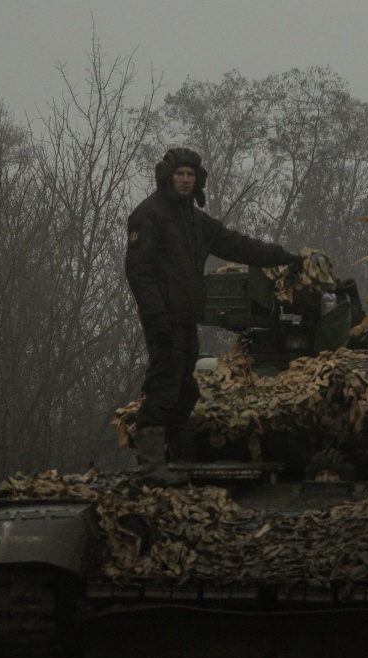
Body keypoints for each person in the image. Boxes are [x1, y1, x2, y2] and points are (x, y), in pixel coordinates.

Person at [125, 147, 301, 484]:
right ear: (168, 176)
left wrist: (283, 257)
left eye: (191, 175)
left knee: (185, 390)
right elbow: (138, 271)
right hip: (164, 318)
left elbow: (235, 244)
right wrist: (156, 316)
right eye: (180, 174)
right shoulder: (149, 214)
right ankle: (153, 466)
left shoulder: (194, 220)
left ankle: (179, 460)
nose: (186, 180)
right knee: (164, 384)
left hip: (186, 317)